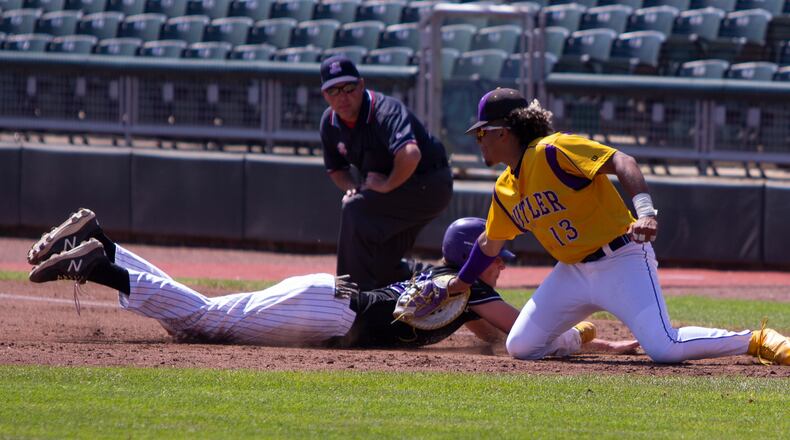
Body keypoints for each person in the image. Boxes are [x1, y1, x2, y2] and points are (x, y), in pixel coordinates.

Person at [437, 88, 789, 365]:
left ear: (505, 131)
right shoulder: (505, 187)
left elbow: (623, 160)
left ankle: (754, 340)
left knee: (663, 348)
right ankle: (577, 336)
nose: (478, 139)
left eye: (483, 132)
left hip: (621, 259)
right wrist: (459, 283)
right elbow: (490, 241)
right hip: (571, 273)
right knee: (522, 346)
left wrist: (646, 211)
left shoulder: (553, 150)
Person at [26, 209, 638, 354]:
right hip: (332, 315)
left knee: (204, 312)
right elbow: (520, 334)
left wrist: (582, 335)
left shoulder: (458, 289)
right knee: (202, 322)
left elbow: (487, 335)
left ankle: (106, 244)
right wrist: (598, 342)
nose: (505, 261)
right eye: (499, 253)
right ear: (473, 253)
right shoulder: (470, 285)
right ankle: (98, 263)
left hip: (329, 296)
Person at [318, 55, 454, 291]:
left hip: (428, 184)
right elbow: (336, 169)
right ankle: (448, 279)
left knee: (355, 209)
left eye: (348, 88)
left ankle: (350, 299)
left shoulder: (384, 110)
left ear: (361, 85)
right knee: (381, 266)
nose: (342, 97)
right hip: (401, 189)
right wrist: (352, 187)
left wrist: (387, 185)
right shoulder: (329, 122)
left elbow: (411, 155)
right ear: (325, 95)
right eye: (334, 91)